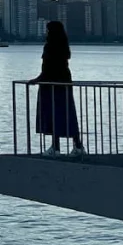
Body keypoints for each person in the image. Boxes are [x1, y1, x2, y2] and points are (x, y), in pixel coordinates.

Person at [28, 20, 85, 157]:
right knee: (67, 114)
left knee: (53, 115)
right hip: (64, 83)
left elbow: (47, 68)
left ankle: (56, 147)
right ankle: (78, 145)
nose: (46, 32)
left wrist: (37, 80)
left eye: (48, 30)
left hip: (51, 84)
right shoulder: (64, 46)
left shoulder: (50, 46)